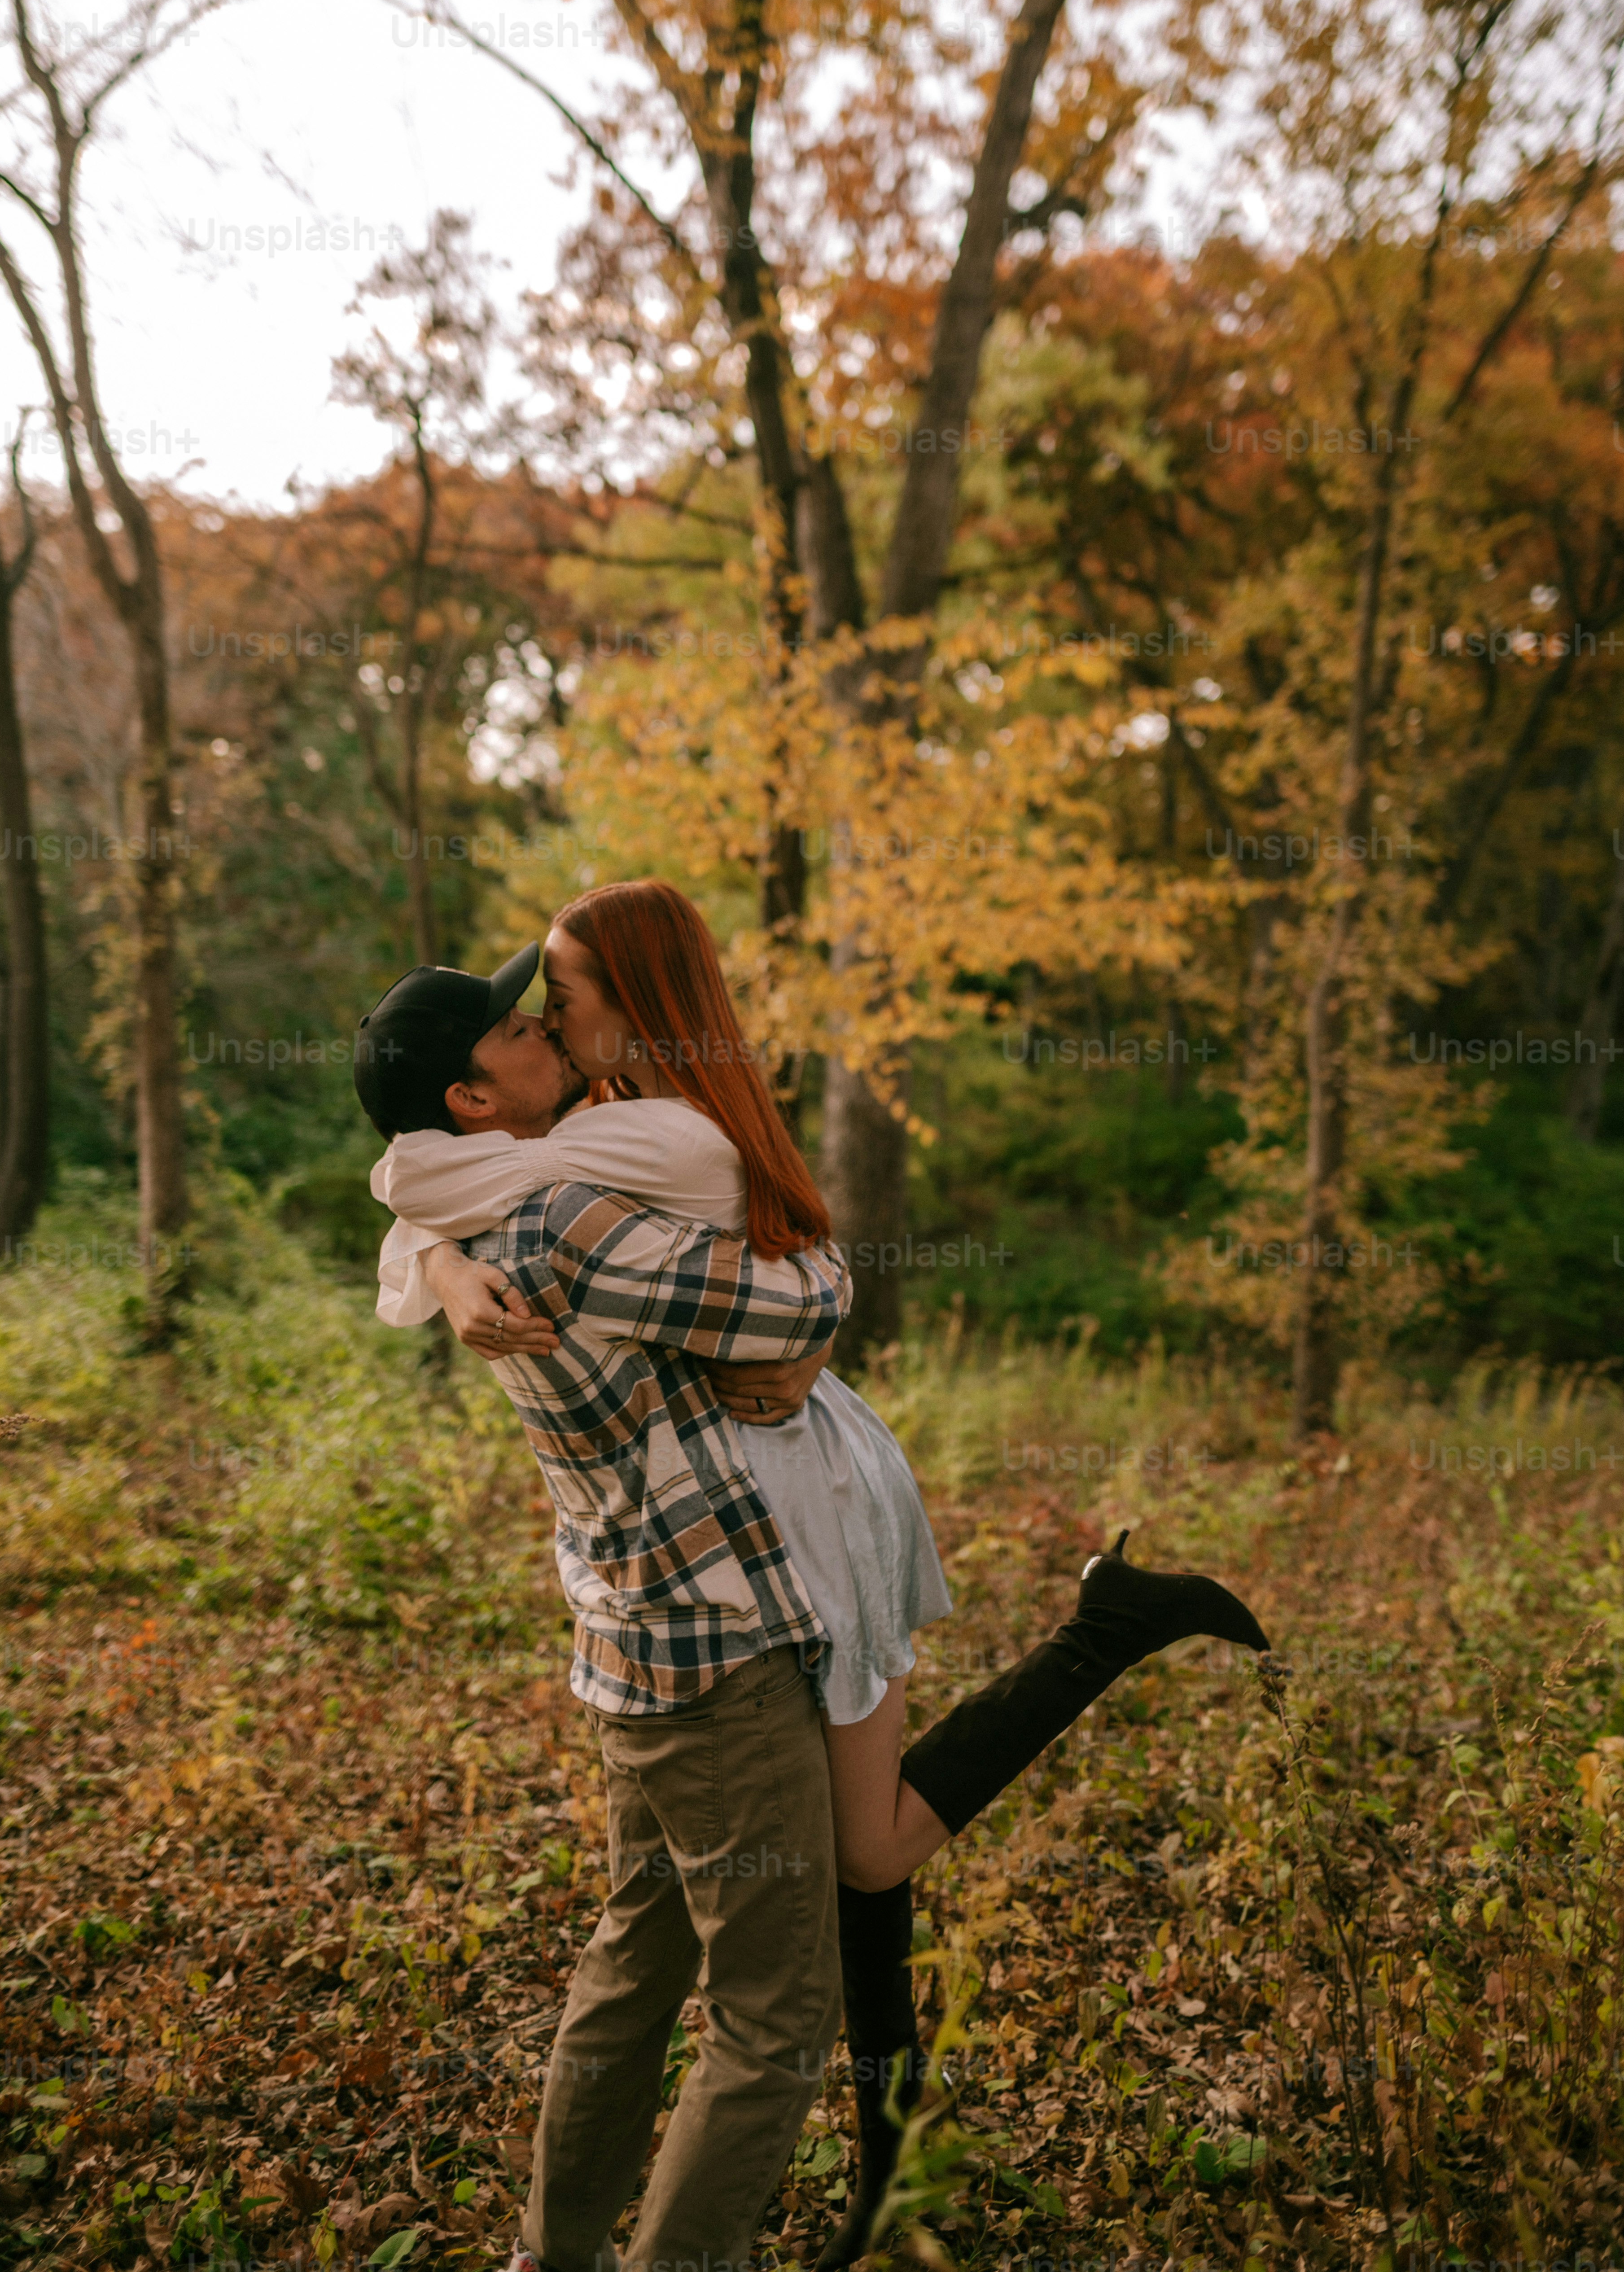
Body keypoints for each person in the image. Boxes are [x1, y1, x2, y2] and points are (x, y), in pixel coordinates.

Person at [367, 884, 1272, 2271]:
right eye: (520, 1021)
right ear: (473, 1098)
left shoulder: (549, 1175)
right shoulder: (565, 1218)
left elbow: (421, 1186)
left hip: (657, 1631)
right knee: (780, 2007)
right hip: (717, 1643)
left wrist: (437, 1259)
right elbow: (800, 1293)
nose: (541, 1020)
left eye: (554, 998)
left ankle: (568, 2254)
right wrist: (807, 1321)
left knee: (644, 1968)